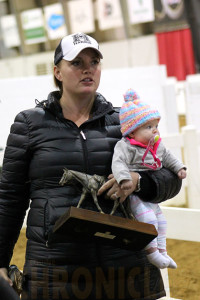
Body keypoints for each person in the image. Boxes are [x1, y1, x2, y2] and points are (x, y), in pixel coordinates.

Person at [0, 32, 182, 300]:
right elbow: (9, 201)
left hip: (127, 273)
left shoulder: (126, 123)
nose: (88, 68)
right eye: (77, 62)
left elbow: (171, 178)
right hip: (55, 275)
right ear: (57, 72)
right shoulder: (28, 125)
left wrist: (138, 181)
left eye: (94, 61)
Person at [112, 88, 187, 270]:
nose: (154, 131)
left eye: (155, 126)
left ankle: (162, 251)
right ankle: (152, 253)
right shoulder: (125, 147)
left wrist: (179, 168)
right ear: (131, 132)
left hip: (149, 192)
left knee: (161, 221)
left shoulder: (156, 145)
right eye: (148, 127)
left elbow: (168, 157)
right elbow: (118, 163)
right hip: (133, 194)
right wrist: (124, 179)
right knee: (148, 219)